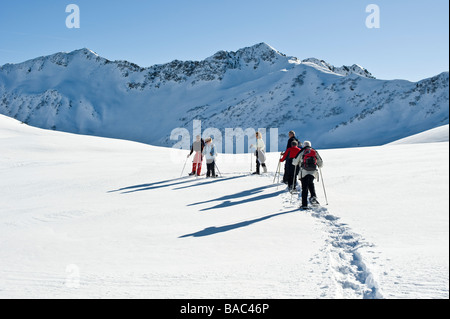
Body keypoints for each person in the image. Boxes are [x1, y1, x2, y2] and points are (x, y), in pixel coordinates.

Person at [292, 141, 323, 210]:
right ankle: (313, 197)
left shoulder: (302, 151)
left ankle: (304, 204)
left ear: (303, 145)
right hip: (313, 171)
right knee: (311, 183)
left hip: (304, 171)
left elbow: (295, 162)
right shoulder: (314, 151)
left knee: (304, 187)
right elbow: (320, 163)